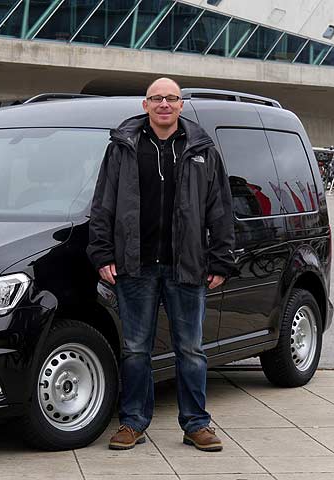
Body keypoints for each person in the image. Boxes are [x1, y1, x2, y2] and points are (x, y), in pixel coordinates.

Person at [87, 77, 236, 452]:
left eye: (171, 98)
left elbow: (220, 210)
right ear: (145, 105)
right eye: (157, 98)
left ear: (181, 105)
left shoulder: (202, 149)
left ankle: (196, 424)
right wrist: (102, 254)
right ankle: (133, 422)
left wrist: (220, 257)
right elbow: (103, 204)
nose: (164, 104)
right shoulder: (123, 148)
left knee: (191, 350)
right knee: (136, 349)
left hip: (186, 266)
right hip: (134, 267)